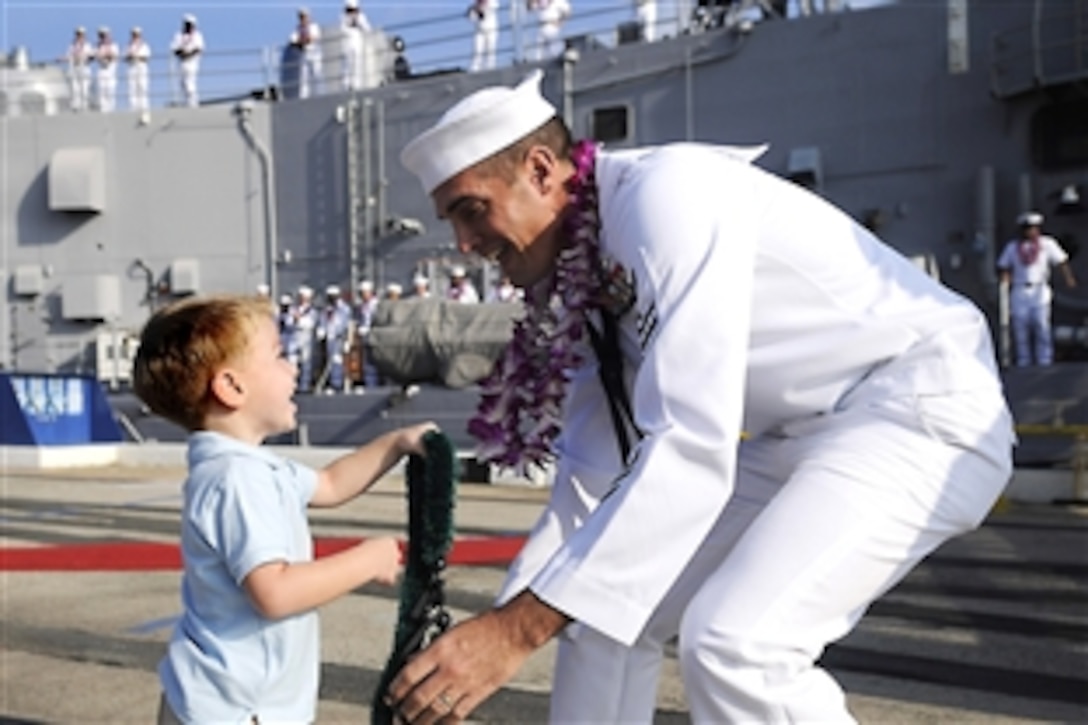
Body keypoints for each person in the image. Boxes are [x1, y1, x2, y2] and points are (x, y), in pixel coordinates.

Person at [389, 70, 1015, 722]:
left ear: (542, 171)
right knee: (601, 617)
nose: (463, 244)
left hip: (916, 401)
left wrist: (514, 634)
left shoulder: (668, 198)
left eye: (471, 209)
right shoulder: (580, 273)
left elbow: (690, 444)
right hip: (799, 433)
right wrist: (492, 637)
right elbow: (586, 484)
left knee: (736, 643)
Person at [131, 294, 434, 723]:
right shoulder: (237, 479)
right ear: (232, 387)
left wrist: (398, 443)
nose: (292, 367)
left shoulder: (250, 467)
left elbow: (329, 484)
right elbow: (274, 593)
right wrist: (368, 558)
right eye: (278, 356)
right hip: (234, 710)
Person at [997, 211, 1077, 367]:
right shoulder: (1013, 247)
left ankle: (1045, 359)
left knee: (1041, 325)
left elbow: (1061, 261)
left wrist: (1068, 278)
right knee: (1020, 327)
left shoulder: (1047, 244)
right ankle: (1024, 361)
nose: (1030, 231)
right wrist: (1005, 280)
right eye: (1026, 228)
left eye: (1033, 228)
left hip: (1039, 289)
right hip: (1020, 290)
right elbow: (1003, 266)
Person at [316, 284, 352, 394]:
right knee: (330, 361)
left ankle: (338, 384)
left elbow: (347, 325)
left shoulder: (344, 309)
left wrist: (347, 340)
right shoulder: (326, 309)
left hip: (339, 338)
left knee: (337, 361)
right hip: (329, 338)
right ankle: (332, 382)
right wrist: (321, 330)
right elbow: (323, 321)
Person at [289, 285, 318, 393]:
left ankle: (304, 385)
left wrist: (298, 320)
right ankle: (292, 385)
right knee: (292, 361)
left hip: (306, 336)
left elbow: (310, 324)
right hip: (294, 335)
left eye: (304, 297)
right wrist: (295, 320)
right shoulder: (293, 309)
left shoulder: (312, 311)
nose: (301, 299)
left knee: (306, 362)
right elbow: (288, 321)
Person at [171, 14, 204, 107]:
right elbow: (175, 48)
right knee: (183, 83)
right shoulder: (179, 35)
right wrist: (182, 53)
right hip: (182, 61)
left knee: (190, 82)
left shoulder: (197, 35)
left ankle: (193, 103)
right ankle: (186, 102)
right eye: (187, 24)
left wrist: (189, 54)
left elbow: (199, 48)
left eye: (190, 24)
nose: (189, 26)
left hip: (192, 61)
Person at [290, 7, 323, 99]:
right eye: (301, 17)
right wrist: (301, 41)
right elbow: (293, 40)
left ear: (308, 17)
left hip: (314, 53)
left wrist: (304, 40)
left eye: (304, 16)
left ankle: (319, 94)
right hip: (304, 54)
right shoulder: (297, 29)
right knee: (304, 76)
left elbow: (313, 38)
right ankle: (303, 96)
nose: (302, 19)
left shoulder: (314, 27)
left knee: (317, 74)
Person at [340, 0, 371, 91]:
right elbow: (342, 30)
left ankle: (357, 86)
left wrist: (358, 22)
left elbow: (367, 29)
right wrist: (350, 23)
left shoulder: (361, 17)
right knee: (346, 66)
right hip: (346, 43)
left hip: (357, 42)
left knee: (357, 64)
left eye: (353, 9)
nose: (351, 12)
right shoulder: (343, 17)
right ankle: (346, 86)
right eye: (349, 10)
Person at [65, 26, 94, 112]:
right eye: (78, 34)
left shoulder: (88, 45)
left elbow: (91, 56)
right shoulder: (72, 45)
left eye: (81, 34)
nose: (79, 36)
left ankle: (84, 105)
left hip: (84, 66)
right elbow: (68, 55)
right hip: (74, 67)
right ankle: (75, 105)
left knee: (84, 87)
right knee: (74, 87)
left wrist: (84, 58)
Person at [124, 26, 152, 113]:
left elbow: (147, 57)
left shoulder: (144, 45)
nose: (135, 36)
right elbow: (125, 57)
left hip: (141, 67)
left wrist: (138, 57)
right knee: (132, 88)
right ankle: (133, 108)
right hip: (132, 67)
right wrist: (130, 57)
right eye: (133, 34)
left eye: (137, 34)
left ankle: (144, 108)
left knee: (142, 87)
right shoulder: (128, 46)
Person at [468, 0, 500, 72]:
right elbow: (471, 17)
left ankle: (490, 68)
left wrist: (480, 10)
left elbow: (486, 14)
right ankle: (475, 69)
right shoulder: (475, 5)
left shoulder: (492, 2)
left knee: (490, 50)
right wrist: (475, 9)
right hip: (479, 31)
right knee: (477, 50)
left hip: (491, 29)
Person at [94, 27, 120, 112]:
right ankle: (103, 109)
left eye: (104, 35)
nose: (102, 37)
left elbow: (115, 56)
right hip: (102, 69)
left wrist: (107, 54)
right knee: (102, 89)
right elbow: (96, 55)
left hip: (111, 69)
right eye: (101, 35)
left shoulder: (114, 46)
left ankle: (111, 109)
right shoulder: (97, 46)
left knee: (110, 89)